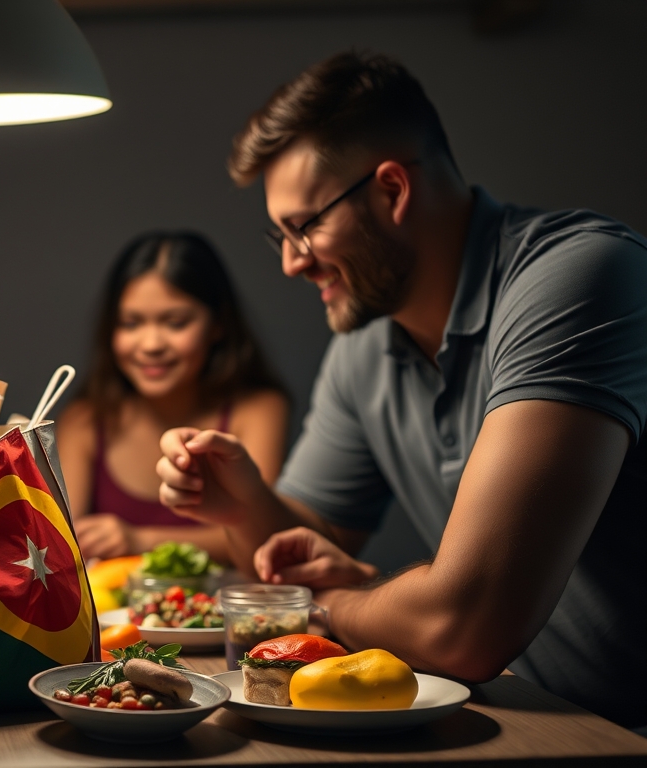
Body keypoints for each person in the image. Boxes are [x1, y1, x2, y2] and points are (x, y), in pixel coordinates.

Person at [155, 52, 647, 730]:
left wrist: (340, 598)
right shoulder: (366, 343)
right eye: (281, 236)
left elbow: (463, 628)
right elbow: (300, 554)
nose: (293, 261)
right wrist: (243, 507)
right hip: (526, 719)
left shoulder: (579, 278)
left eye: (305, 226)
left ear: (391, 190)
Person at [57, 232, 288, 562]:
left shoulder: (257, 409)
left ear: (218, 325)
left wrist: (138, 540)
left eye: (176, 323)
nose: (151, 344)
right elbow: (62, 541)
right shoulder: (85, 419)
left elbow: (264, 538)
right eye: (130, 323)